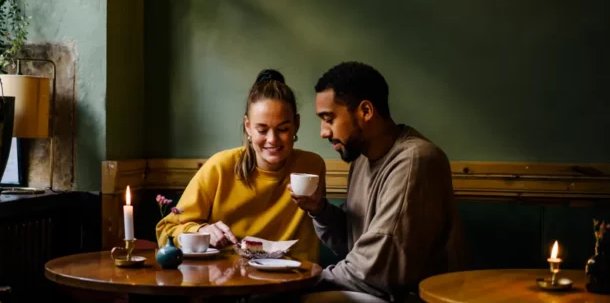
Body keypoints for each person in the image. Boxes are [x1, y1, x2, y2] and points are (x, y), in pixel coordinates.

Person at [290, 62, 467, 302]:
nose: (323, 132)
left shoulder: (415, 160)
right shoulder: (361, 160)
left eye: (329, 119)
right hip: (374, 291)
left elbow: (374, 269)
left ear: (365, 111)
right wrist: (319, 210)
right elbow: (357, 247)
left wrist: (300, 283)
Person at [156, 69, 326, 262]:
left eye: (283, 129)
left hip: (293, 282)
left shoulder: (312, 166)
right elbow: (166, 231)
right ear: (248, 126)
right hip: (227, 283)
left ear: (296, 124)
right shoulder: (220, 168)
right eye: (262, 130)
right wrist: (201, 231)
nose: (272, 139)